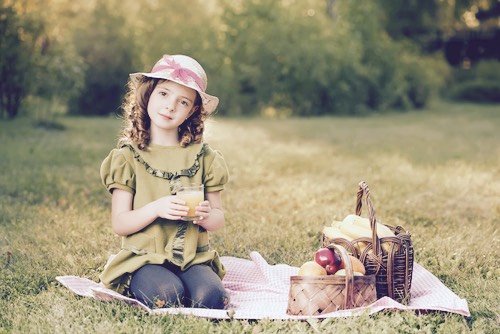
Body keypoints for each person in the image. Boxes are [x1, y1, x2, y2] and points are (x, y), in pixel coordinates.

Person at [99, 54, 229, 309]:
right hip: (145, 259)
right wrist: (157, 208)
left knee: (211, 298)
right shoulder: (128, 158)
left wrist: (204, 216)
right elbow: (120, 223)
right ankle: (149, 282)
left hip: (192, 259)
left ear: (192, 110)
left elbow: (218, 219)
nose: (170, 106)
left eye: (182, 101)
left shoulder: (205, 157)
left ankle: (193, 283)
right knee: (167, 296)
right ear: (149, 94)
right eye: (164, 94)